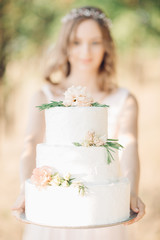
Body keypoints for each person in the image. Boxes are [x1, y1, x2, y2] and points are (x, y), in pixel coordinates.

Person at [12, 6, 145, 240]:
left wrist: (131, 189)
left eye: (95, 42)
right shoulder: (44, 96)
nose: (86, 51)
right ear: (65, 45)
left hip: (102, 214)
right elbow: (31, 143)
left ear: (107, 46)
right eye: (76, 42)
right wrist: (27, 189)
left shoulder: (124, 99)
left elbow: (129, 145)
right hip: (51, 210)